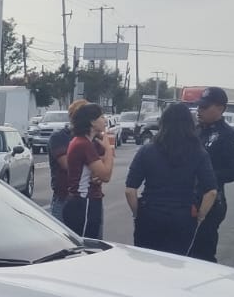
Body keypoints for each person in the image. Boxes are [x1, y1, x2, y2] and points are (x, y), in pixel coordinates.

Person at [124, 103, 218, 255]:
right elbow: (211, 192)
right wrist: (200, 216)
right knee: (177, 264)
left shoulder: (147, 151)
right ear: (190, 124)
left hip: (150, 215)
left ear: (163, 123)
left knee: (145, 263)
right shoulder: (199, 152)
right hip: (182, 217)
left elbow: (130, 190)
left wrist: (137, 213)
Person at [187, 86, 234, 262]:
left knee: (202, 254)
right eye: (199, 106)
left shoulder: (229, 136)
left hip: (210, 202)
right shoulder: (196, 131)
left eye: (204, 107)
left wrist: (208, 176)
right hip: (188, 199)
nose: (199, 110)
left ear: (220, 108)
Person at [60, 103, 114, 239]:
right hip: (83, 203)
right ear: (92, 122)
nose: (105, 120)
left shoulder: (83, 142)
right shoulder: (83, 144)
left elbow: (95, 169)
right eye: (101, 117)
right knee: (86, 246)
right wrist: (109, 149)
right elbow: (106, 175)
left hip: (82, 202)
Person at [47, 99, 87, 220]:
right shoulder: (59, 138)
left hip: (89, 199)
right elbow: (68, 166)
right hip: (64, 198)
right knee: (62, 237)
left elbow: (103, 171)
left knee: (89, 238)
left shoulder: (93, 139)